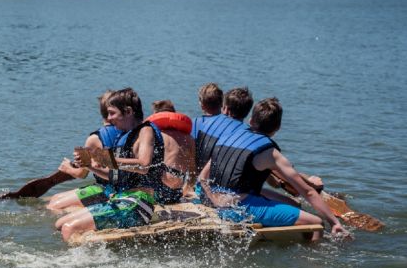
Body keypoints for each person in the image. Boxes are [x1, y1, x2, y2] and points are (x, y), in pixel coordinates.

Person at [197, 97, 348, 241]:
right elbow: (307, 192)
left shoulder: (229, 136)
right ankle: (314, 259)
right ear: (278, 127)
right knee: (316, 223)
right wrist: (334, 223)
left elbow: (202, 178)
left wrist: (214, 201)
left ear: (251, 120)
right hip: (237, 208)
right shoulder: (271, 154)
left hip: (209, 199)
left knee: (294, 204)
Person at [56, 89, 169, 241]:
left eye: (112, 113)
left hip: (140, 203)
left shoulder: (145, 131)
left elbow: (144, 166)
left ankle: (79, 263)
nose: (109, 118)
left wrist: (105, 158)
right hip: (122, 198)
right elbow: (115, 176)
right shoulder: (123, 136)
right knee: (60, 223)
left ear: (128, 111)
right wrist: (89, 164)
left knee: (70, 228)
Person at [46, 90, 120, 213]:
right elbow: (111, 165)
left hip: (107, 190)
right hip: (119, 186)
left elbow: (82, 173)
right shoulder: (125, 132)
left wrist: (67, 168)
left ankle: (84, 214)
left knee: (53, 206)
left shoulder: (96, 139)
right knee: (55, 197)